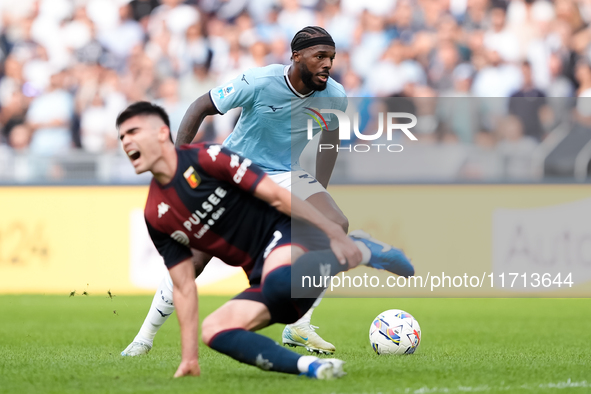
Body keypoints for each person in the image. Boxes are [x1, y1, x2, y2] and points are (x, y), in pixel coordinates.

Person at [116, 102, 414, 378]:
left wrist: (335, 233)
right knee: (215, 329)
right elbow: (182, 286)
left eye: (133, 131)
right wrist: (189, 357)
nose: (126, 141)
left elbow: (276, 195)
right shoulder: (155, 213)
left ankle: (361, 250)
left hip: (286, 233)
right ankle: (313, 367)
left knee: (280, 282)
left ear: (161, 133)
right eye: (121, 137)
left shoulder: (209, 157)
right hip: (263, 274)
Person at [122, 26, 350, 357]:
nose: (327, 64)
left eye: (331, 58)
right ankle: (143, 339)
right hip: (234, 171)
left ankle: (299, 325)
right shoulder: (259, 81)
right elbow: (201, 105)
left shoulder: (335, 95)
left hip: (286, 173)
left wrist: (318, 192)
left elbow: (329, 139)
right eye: (320, 57)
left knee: (335, 225)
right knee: (194, 261)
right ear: (296, 57)